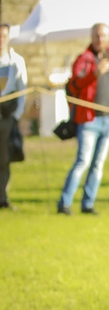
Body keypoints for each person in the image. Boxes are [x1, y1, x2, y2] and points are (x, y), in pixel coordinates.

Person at [57, 23, 109, 216]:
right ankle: (65, 203)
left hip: (108, 119)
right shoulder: (83, 59)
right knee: (83, 161)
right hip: (89, 120)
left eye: (103, 36)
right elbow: (74, 85)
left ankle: (88, 204)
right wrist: (94, 74)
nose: (100, 39)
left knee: (98, 165)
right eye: (97, 36)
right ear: (92, 36)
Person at [0, 23, 27, 211]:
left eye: (3, 35)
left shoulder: (16, 61)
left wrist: (16, 115)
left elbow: (22, 89)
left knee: (4, 159)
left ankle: (2, 197)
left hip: (7, 116)